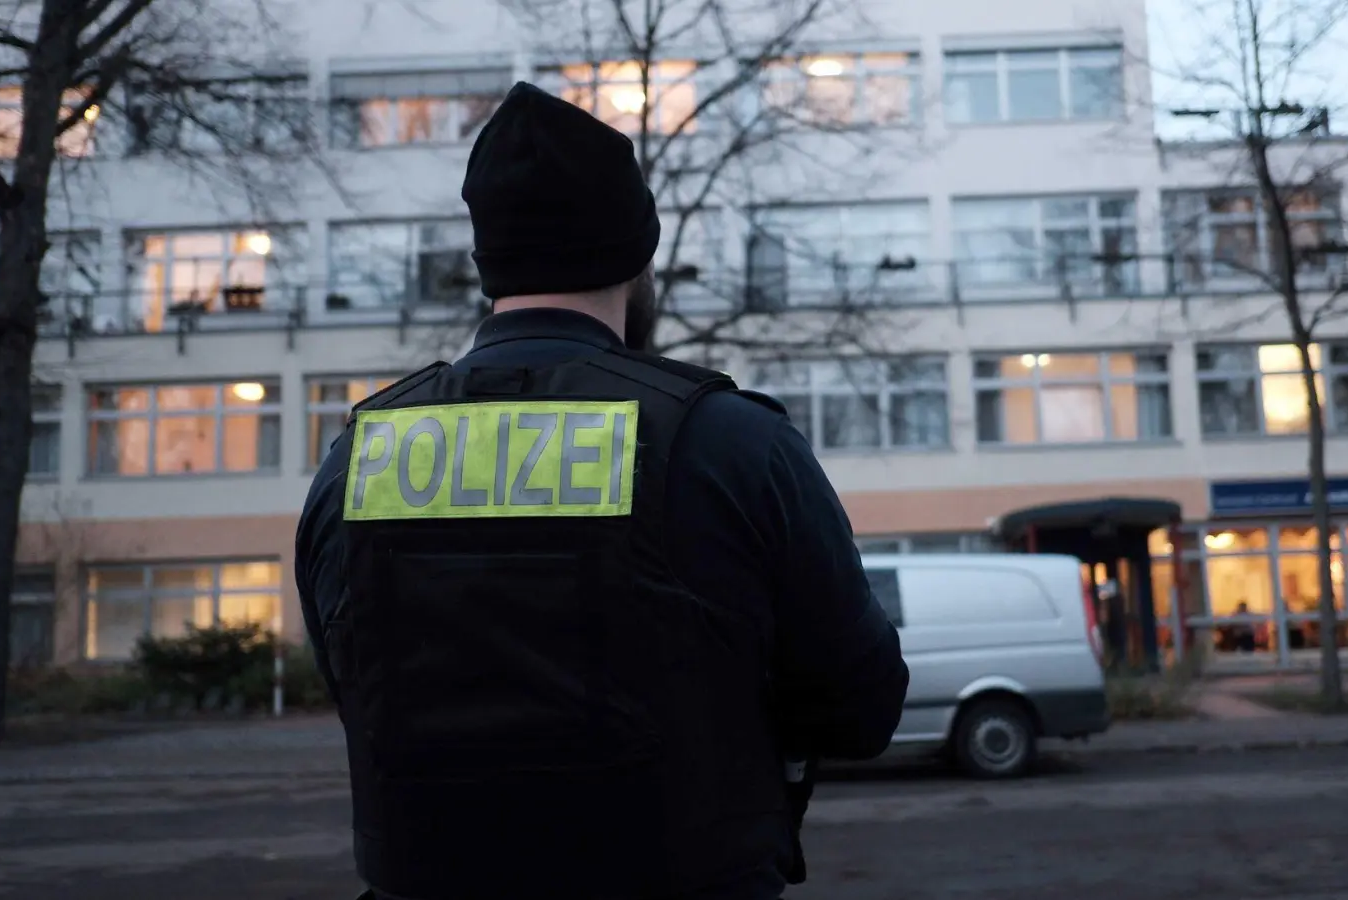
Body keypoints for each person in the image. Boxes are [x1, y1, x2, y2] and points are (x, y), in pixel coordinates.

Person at [294, 82, 909, 900]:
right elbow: (860, 709)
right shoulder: (730, 444)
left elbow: (356, 690)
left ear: (490, 265)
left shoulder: (356, 460)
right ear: (636, 258)